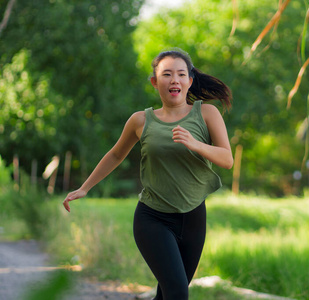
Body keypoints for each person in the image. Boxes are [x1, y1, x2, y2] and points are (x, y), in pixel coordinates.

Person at [63, 48, 233, 300]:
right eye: (166, 74)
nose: (174, 79)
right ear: (155, 82)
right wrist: (85, 187)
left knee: (167, 294)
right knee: (177, 293)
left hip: (194, 217)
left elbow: (227, 159)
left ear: (190, 81)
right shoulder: (141, 120)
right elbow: (115, 155)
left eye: (180, 74)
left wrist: (195, 144)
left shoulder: (207, 114)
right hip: (153, 218)